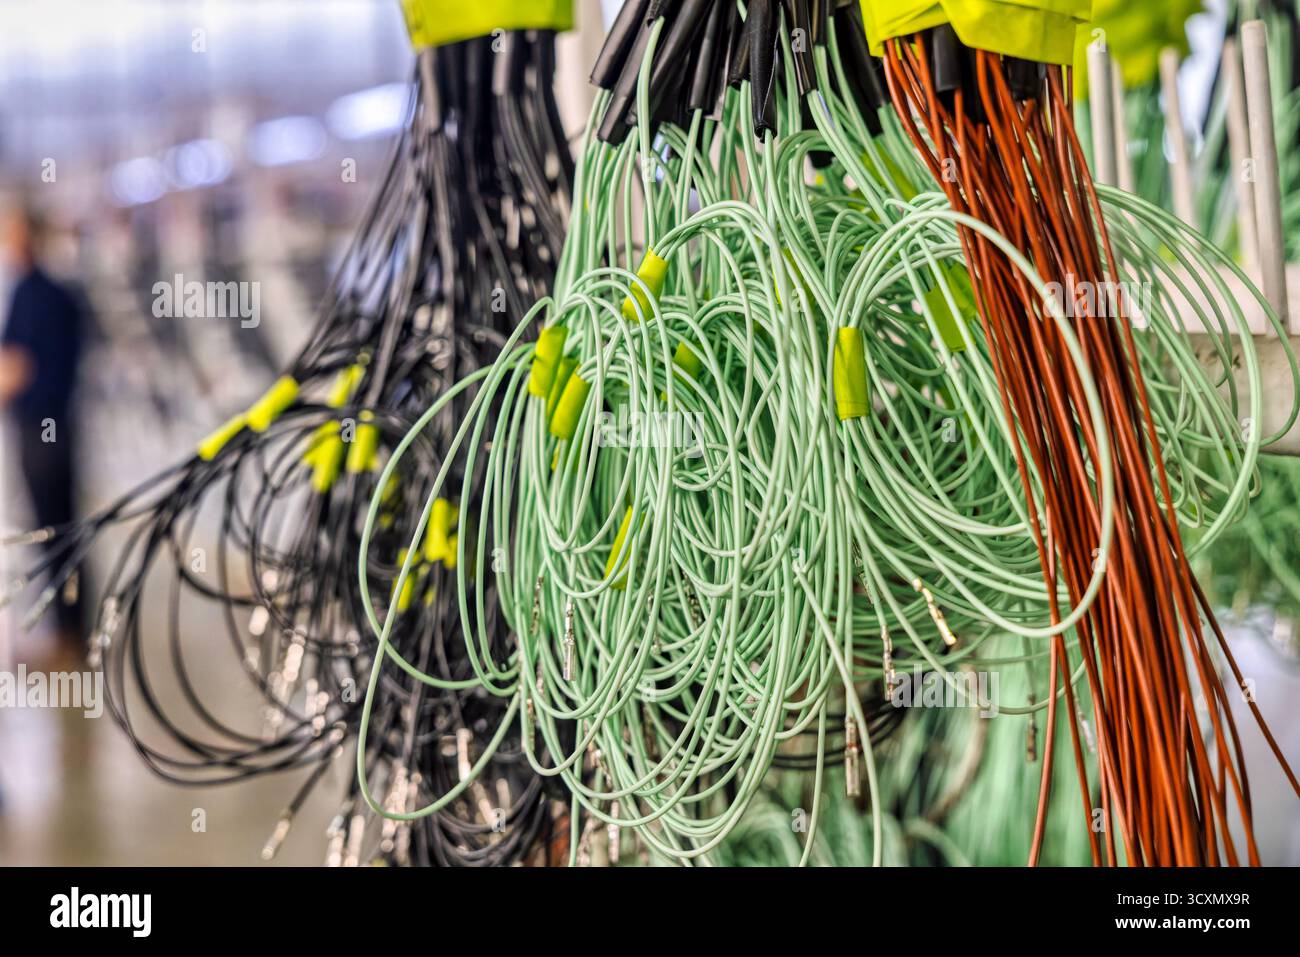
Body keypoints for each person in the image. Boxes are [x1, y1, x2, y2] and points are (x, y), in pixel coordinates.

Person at [0, 203, 85, 658]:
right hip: (57, 425)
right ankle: (70, 627)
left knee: (52, 529)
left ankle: (70, 633)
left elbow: (17, 366)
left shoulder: (34, 296)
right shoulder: (56, 292)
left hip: (43, 429)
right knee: (61, 527)